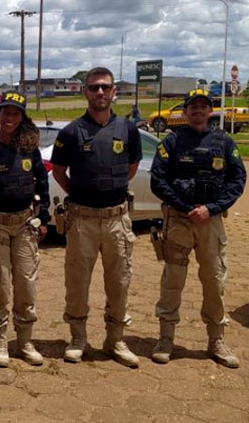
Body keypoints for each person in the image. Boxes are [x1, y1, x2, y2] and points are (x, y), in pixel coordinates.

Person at [50, 66, 142, 367]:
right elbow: (59, 172)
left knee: (119, 281)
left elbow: (131, 167)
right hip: (83, 221)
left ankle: (115, 340)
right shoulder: (70, 132)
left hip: (117, 220)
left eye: (105, 87)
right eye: (93, 87)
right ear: (84, 91)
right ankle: (78, 339)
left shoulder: (128, 129)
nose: (100, 92)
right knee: (78, 283)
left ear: (113, 91)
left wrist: (112, 191)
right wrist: (79, 194)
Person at [149, 88, 246, 367]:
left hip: (210, 223)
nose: (199, 110)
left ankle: (216, 340)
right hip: (179, 220)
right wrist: (183, 206)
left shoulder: (224, 142)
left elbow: (238, 180)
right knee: (173, 281)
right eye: (193, 106)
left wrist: (211, 209)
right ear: (186, 111)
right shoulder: (171, 142)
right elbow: (158, 180)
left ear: (210, 110)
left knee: (215, 281)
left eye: (204, 106)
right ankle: (166, 338)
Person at [0, 91, 49, 367]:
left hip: (24, 225)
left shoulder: (29, 148)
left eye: (15, 113)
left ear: (22, 117)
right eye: (6, 112)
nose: (10, 117)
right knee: (1, 285)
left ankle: (25, 341)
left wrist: (44, 217)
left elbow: (42, 180)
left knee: (26, 284)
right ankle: (0, 340)